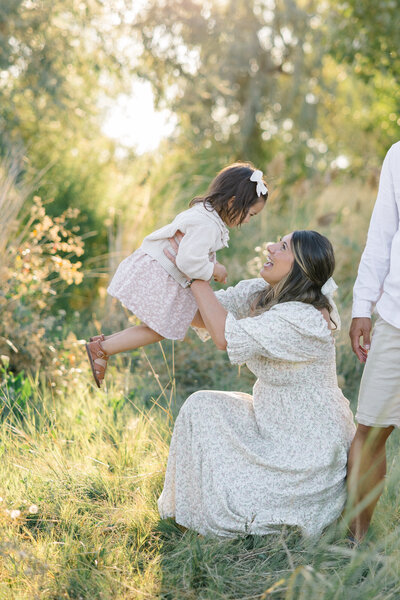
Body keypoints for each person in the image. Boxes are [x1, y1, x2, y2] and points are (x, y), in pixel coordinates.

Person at [158, 230, 356, 537]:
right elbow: (207, 313)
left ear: (300, 267)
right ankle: (192, 512)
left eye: (282, 247)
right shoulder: (267, 290)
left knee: (244, 505)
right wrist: (177, 271)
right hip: (271, 424)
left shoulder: (305, 320)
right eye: (276, 241)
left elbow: (223, 336)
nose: (269, 247)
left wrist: (197, 275)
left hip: (307, 450)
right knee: (202, 405)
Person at [85, 163, 267, 387]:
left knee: (159, 327)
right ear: (232, 202)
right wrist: (214, 270)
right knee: (160, 329)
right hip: (160, 275)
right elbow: (188, 261)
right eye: (250, 214)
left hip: (159, 272)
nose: (248, 220)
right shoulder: (207, 226)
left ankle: (101, 345)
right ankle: (102, 349)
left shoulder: (205, 215)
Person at [347, 142, 400, 542]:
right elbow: (381, 237)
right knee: (372, 430)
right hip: (396, 319)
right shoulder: (398, 156)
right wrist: (362, 305)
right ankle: (356, 544)